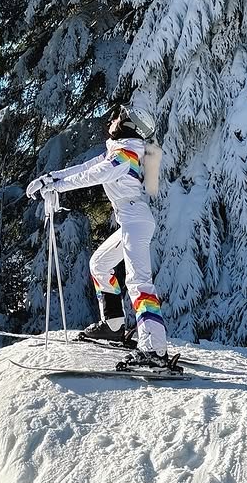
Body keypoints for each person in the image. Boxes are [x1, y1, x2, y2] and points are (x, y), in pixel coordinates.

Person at [26, 105, 178, 371]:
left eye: (119, 116)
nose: (112, 119)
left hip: (136, 222)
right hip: (131, 221)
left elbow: (95, 175)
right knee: (100, 264)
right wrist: (50, 179)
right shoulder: (120, 151)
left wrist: (57, 186)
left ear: (128, 126)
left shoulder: (127, 154)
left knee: (139, 283)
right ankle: (114, 325)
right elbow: (86, 167)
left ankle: (154, 351)